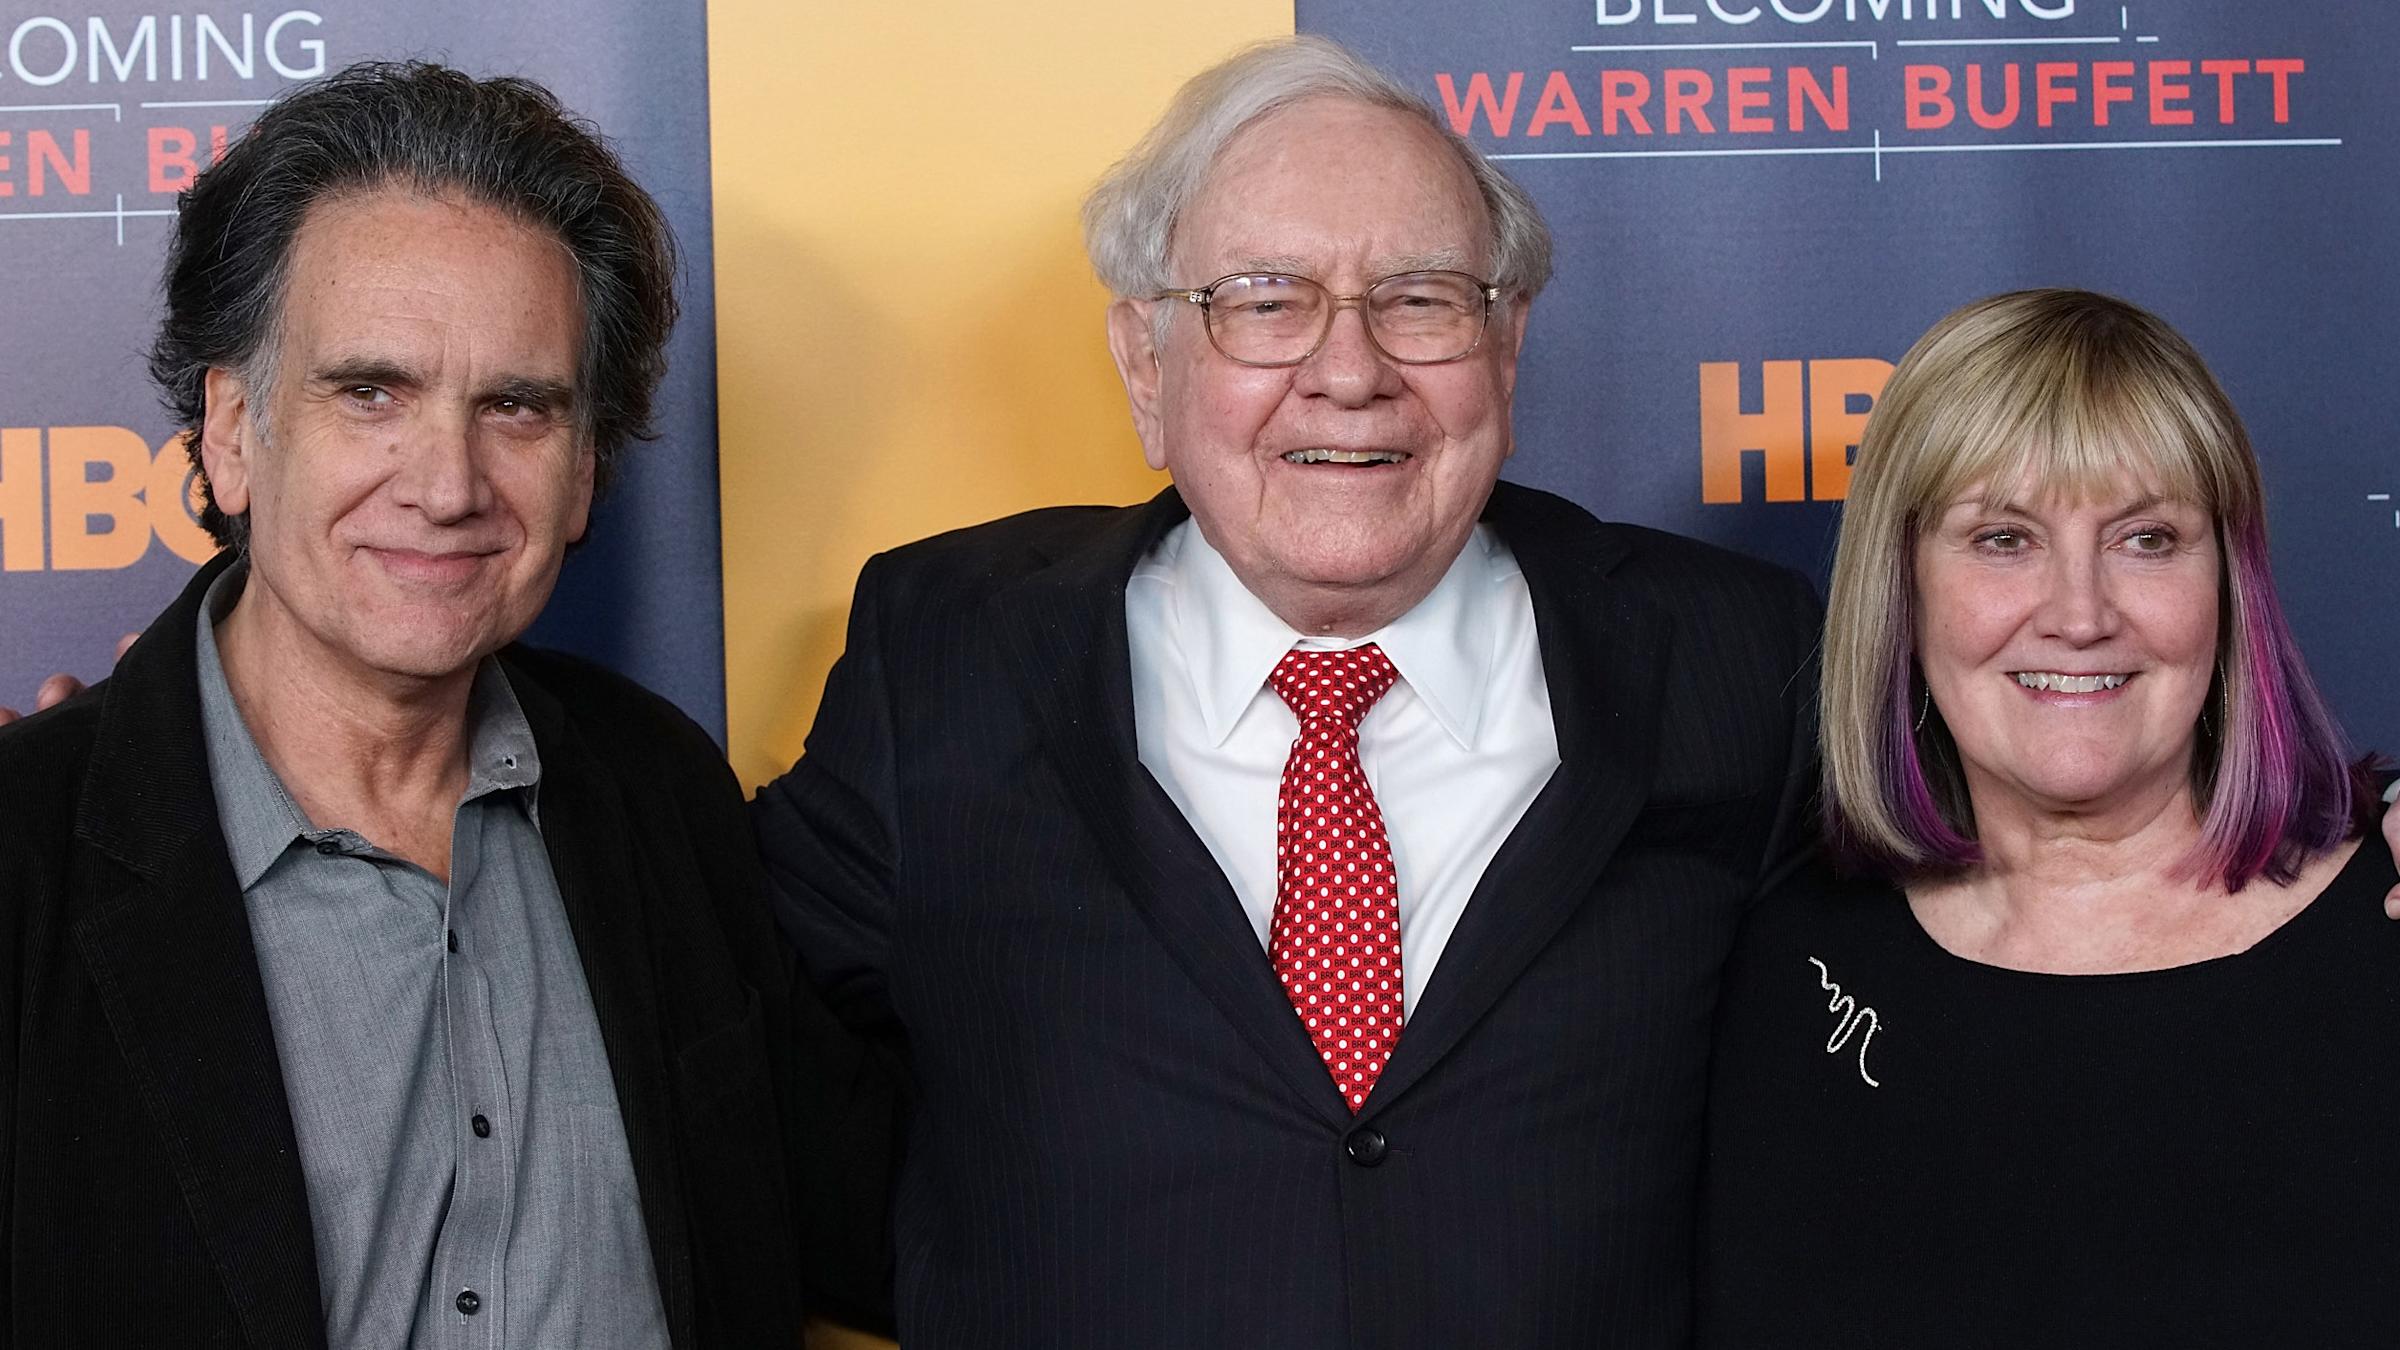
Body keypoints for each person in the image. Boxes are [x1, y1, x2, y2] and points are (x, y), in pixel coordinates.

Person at [752, 36, 1823, 1348]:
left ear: (1507, 344)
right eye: (1266, 302)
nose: (1350, 370)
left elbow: (1864, 1106)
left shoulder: (1738, 658)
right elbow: (733, 1068)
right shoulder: (944, 653)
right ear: (1146, 363)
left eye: (1421, 298)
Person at [0, 63, 844, 1345]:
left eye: (516, 406)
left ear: (584, 469)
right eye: (371, 392)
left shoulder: (660, 790)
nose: (448, 485)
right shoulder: (26, 850)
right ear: (231, 432)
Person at [1698, 289, 2397, 1345]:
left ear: (2231, 587)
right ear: (1903, 586)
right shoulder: (1770, 952)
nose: (2080, 614)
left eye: (2148, 539)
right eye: (2003, 539)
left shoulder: (2385, 929)